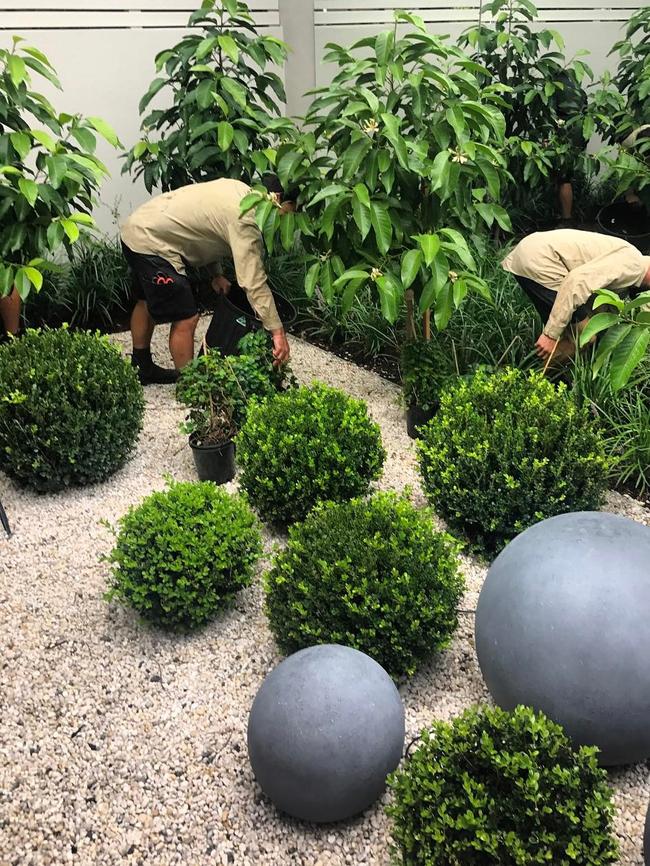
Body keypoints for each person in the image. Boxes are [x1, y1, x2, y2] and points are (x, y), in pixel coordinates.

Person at [120, 175, 295, 385]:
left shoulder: (239, 190)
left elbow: (204, 226)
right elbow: (253, 282)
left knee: (145, 301)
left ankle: (142, 367)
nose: (288, 221)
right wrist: (277, 332)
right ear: (277, 200)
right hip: (152, 243)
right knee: (186, 317)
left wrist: (216, 274)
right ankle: (191, 387)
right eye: (290, 213)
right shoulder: (248, 220)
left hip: (136, 228)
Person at [502, 228, 650, 361]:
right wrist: (550, 334)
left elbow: (603, 312)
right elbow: (577, 281)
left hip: (535, 253)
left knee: (580, 331)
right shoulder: (633, 267)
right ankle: (532, 381)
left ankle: (536, 372)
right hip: (541, 262)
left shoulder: (631, 265)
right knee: (583, 338)